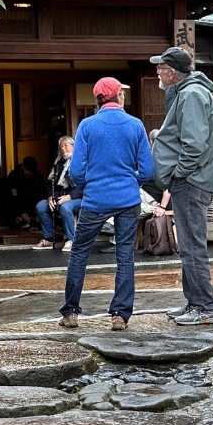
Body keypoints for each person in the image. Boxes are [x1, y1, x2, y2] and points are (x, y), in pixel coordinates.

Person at [59, 78, 153, 331]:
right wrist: (131, 182)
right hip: (127, 199)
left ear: (98, 99)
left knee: (79, 253)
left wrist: (90, 186)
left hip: (95, 199)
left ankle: (70, 313)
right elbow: (147, 169)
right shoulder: (135, 125)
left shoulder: (87, 126)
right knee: (125, 255)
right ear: (118, 96)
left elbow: (76, 170)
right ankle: (120, 315)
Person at [150, 47, 213, 325]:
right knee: (187, 244)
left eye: (160, 68)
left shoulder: (192, 94)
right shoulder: (188, 92)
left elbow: (194, 145)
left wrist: (178, 174)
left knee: (192, 245)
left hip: (191, 180)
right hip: (192, 179)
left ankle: (206, 307)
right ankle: (194, 303)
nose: (157, 72)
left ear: (172, 72)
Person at [33, 136, 82, 252]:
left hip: (78, 198)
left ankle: (72, 240)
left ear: (73, 147)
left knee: (65, 207)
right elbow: (51, 185)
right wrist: (50, 197)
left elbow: (85, 185)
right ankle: (48, 238)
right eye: (61, 146)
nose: (63, 148)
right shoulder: (58, 164)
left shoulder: (80, 163)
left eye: (66, 145)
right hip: (59, 197)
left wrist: (69, 196)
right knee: (40, 206)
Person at [4, 156, 45, 229]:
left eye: (31, 171)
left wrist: (38, 212)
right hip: (15, 205)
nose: (29, 173)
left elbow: (41, 194)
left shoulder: (37, 176)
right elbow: (12, 196)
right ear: (22, 167)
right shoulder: (14, 176)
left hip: (31, 206)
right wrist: (21, 212)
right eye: (27, 169)